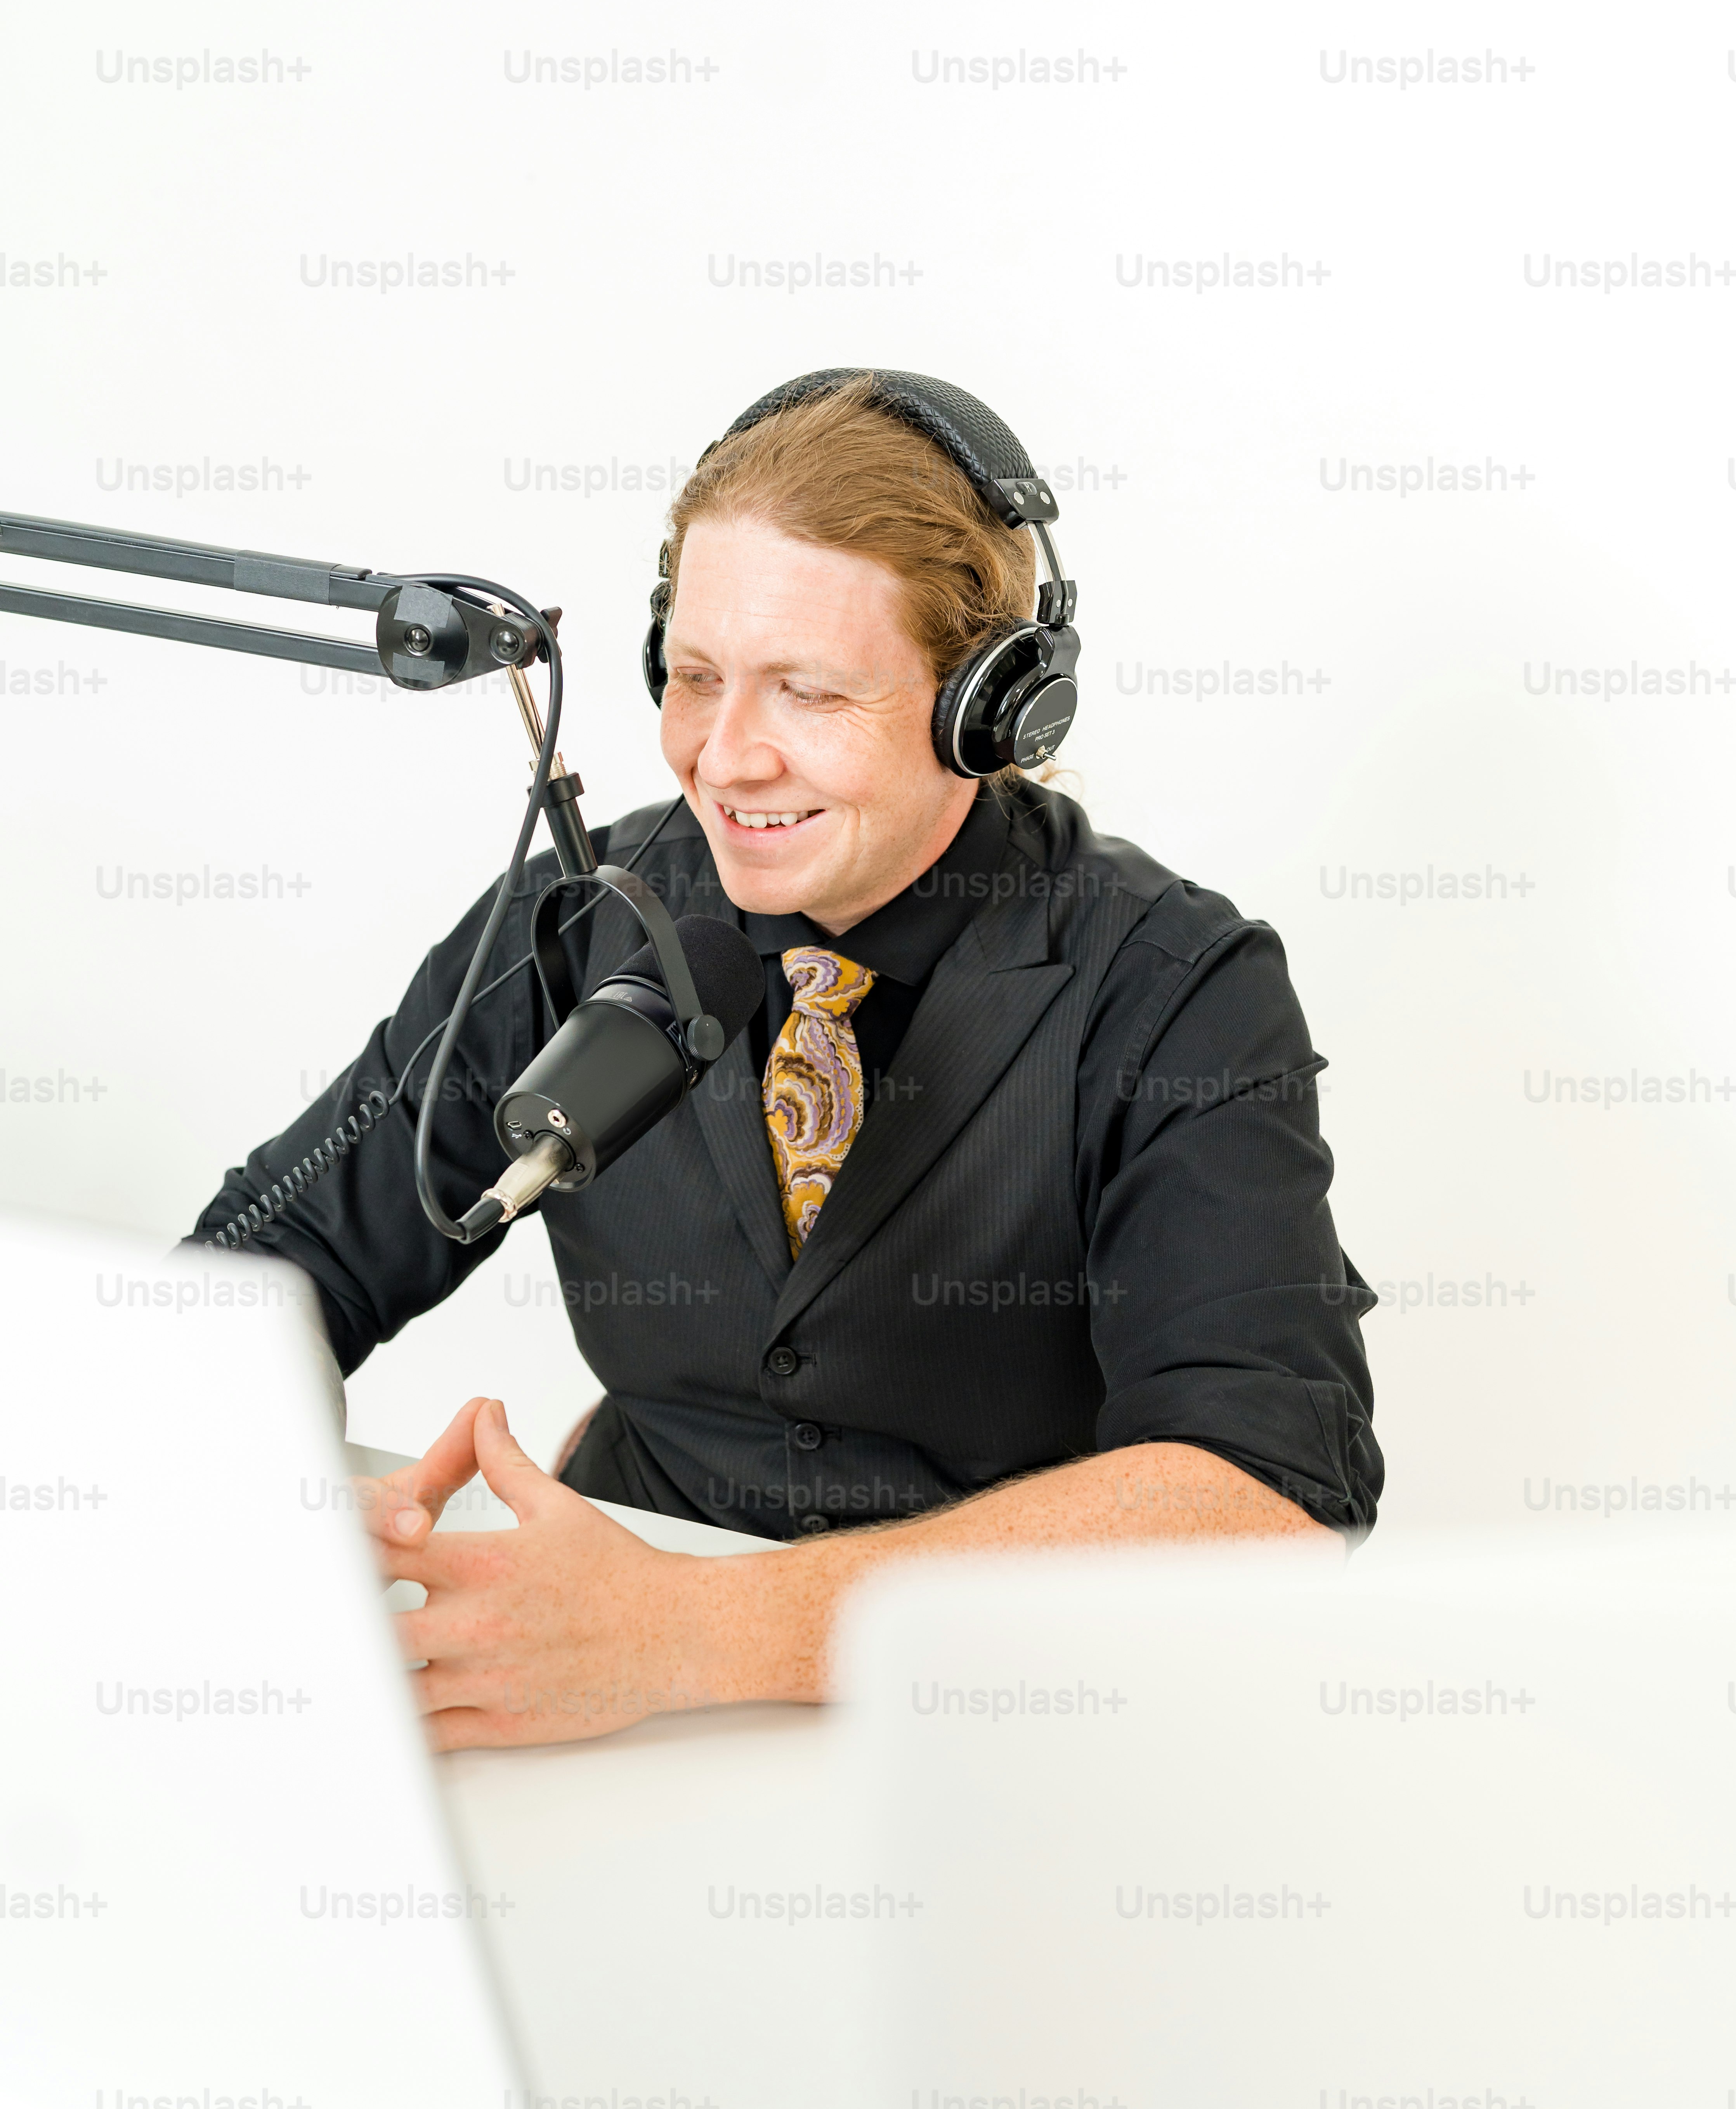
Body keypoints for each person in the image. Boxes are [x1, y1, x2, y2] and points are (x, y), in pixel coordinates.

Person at [194, 371, 1380, 1749]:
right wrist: (256, 1480)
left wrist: (685, 1632)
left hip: (1010, 1720)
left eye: (810, 693)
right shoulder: (584, 915)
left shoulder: (1179, 989)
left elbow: (1266, 1495)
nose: (726, 758)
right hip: (612, 1718)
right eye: (695, 678)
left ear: (989, 710)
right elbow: (260, 1273)